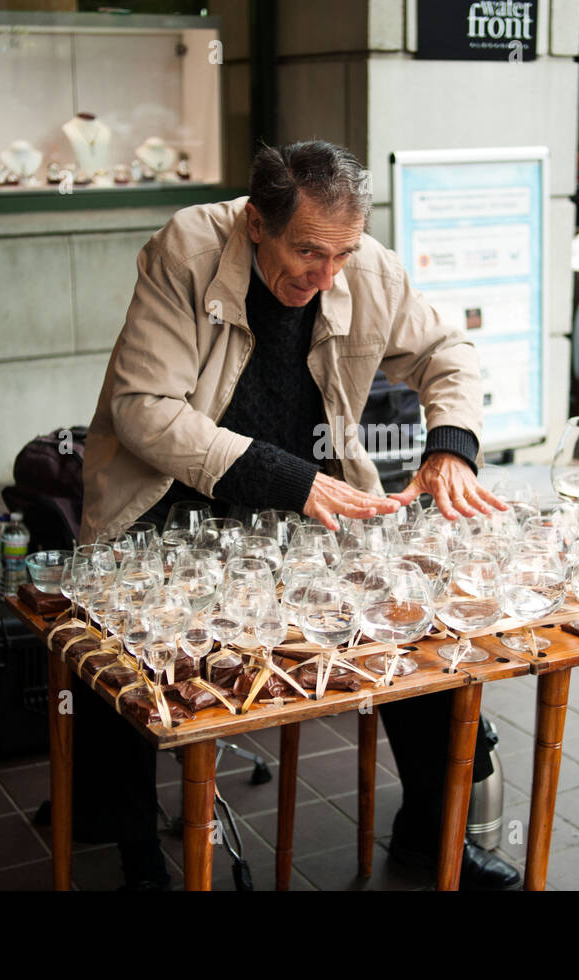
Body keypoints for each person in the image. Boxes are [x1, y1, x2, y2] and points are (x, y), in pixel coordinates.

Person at [75, 139, 519, 890]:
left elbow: (448, 350)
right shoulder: (186, 248)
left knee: (414, 624)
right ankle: (137, 859)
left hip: (310, 502)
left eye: (341, 255)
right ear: (256, 222)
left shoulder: (366, 268)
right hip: (172, 502)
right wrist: (289, 479)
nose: (326, 276)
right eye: (309, 252)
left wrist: (451, 447)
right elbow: (142, 409)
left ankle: (429, 836)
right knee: (129, 661)